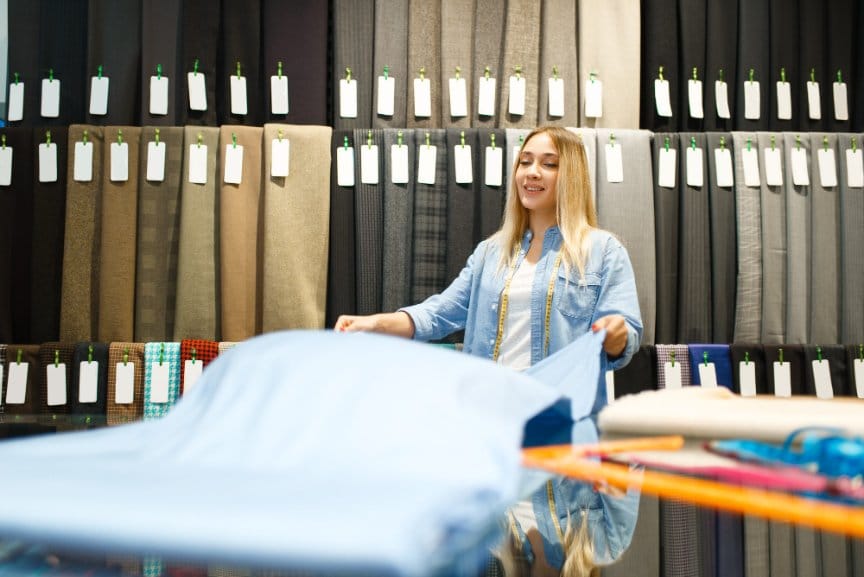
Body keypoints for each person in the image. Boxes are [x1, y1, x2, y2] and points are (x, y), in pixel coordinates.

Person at [335, 126, 642, 576]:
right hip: (491, 439)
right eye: (525, 161)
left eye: (548, 163)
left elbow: (627, 332)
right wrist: (375, 323)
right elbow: (440, 313)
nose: (531, 173)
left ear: (570, 175)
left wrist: (614, 331)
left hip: (560, 445)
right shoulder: (490, 254)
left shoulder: (603, 253)